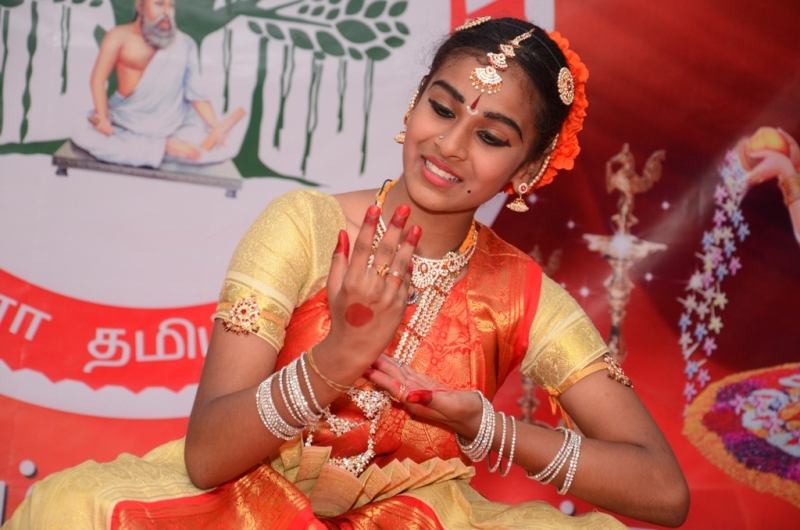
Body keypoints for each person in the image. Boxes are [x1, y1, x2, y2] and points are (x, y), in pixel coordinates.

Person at [5, 17, 689, 529]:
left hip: (419, 517)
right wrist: (340, 356)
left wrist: (486, 427)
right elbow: (207, 456)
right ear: (414, 103)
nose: (449, 145)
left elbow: (663, 492)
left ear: (529, 168)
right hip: (250, 503)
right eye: (442, 108)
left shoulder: (523, 295)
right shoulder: (305, 226)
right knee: (71, 509)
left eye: (490, 137)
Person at [71, 0, 243, 168]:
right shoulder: (118, 36)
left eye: (171, 5)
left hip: (172, 123)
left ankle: (154, 148)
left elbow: (196, 94)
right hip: (126, 120)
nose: (166, 12)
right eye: (159, 4)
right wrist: (102, 117)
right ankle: (165, 147)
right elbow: (98, 79)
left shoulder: (184, 43)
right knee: (82, 130)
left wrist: (215, 126)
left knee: (224, 146)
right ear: (140, 6)